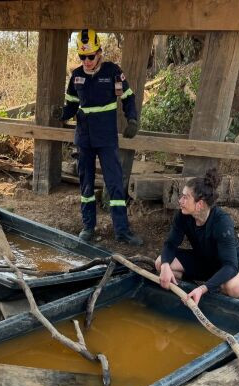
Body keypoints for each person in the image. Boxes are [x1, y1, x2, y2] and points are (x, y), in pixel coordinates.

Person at [54, 29, 143, 246]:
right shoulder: (76, 77)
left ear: (100, 53)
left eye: (90, 56)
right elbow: (72, 106)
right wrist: (61, 114)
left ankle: (122, 231)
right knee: (86, 185)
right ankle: (88, 227)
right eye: (82, 57)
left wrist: (132, 120)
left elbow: (129, 98)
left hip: (106, 139)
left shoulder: (112, 72)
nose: (86, 61)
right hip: (84, 139)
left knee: (114, 184)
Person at [155, 168, 239, 304]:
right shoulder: (182, 215)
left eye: (185, 197)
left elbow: (230, 265)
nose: (180, 201)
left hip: (228, 265)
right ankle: (195, 288)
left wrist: (203, 288)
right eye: (181, 196)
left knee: (234, 288)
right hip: (203, 260)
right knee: (160, 263)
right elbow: (170, 244)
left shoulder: (222, 221)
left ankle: (208, 289)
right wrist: (165, 266)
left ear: (199, 204)